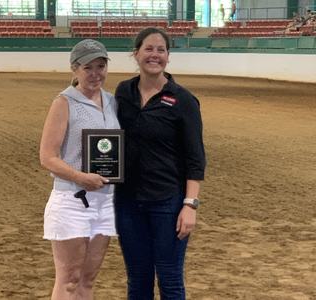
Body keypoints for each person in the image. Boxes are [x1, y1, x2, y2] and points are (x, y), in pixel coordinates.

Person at [114, 27, 206, 299]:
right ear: (136, 53)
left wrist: (190, 205)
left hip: (168, 202)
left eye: (161, 50)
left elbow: (195, 158)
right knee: (138, 279)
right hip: (128, 202)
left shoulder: (183, 100)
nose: (154, 55)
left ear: (168, 56)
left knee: (170, 278)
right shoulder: (123, 92)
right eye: (148, 49)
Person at [39, 39, 119, 299]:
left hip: (105, 202)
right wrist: (80, 177)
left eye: (101, 65)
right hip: (72, 201)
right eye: (88, 67)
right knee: (69, 280)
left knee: (88, 280)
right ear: (75, 69)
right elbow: (47, 157)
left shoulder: (111, 102)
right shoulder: (63, 103)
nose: (96, 73)